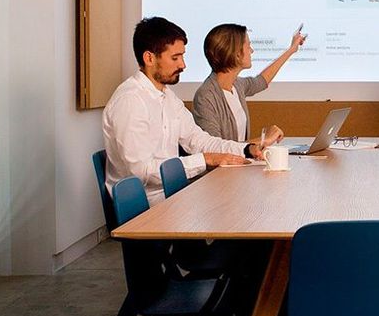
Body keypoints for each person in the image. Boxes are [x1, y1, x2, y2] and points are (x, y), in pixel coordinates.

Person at [103, 16, 279, 206]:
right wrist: (204, 160)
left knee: (256, 202)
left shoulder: (167, 97)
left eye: (183, 56)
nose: (183, 65)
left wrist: (246, 149)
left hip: (173, 195)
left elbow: (199, 140)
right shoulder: (130, 101)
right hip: (146, 207)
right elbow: (141, 172)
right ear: (149, 58)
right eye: (175, 58)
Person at [193, 23, 305, 141]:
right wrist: (263, 140)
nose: (252, 51)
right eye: (248, 46)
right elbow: (215, 149)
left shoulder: (236, 85)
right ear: (236, 54)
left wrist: (292, 49)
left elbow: (261, 81)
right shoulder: (205, 97)